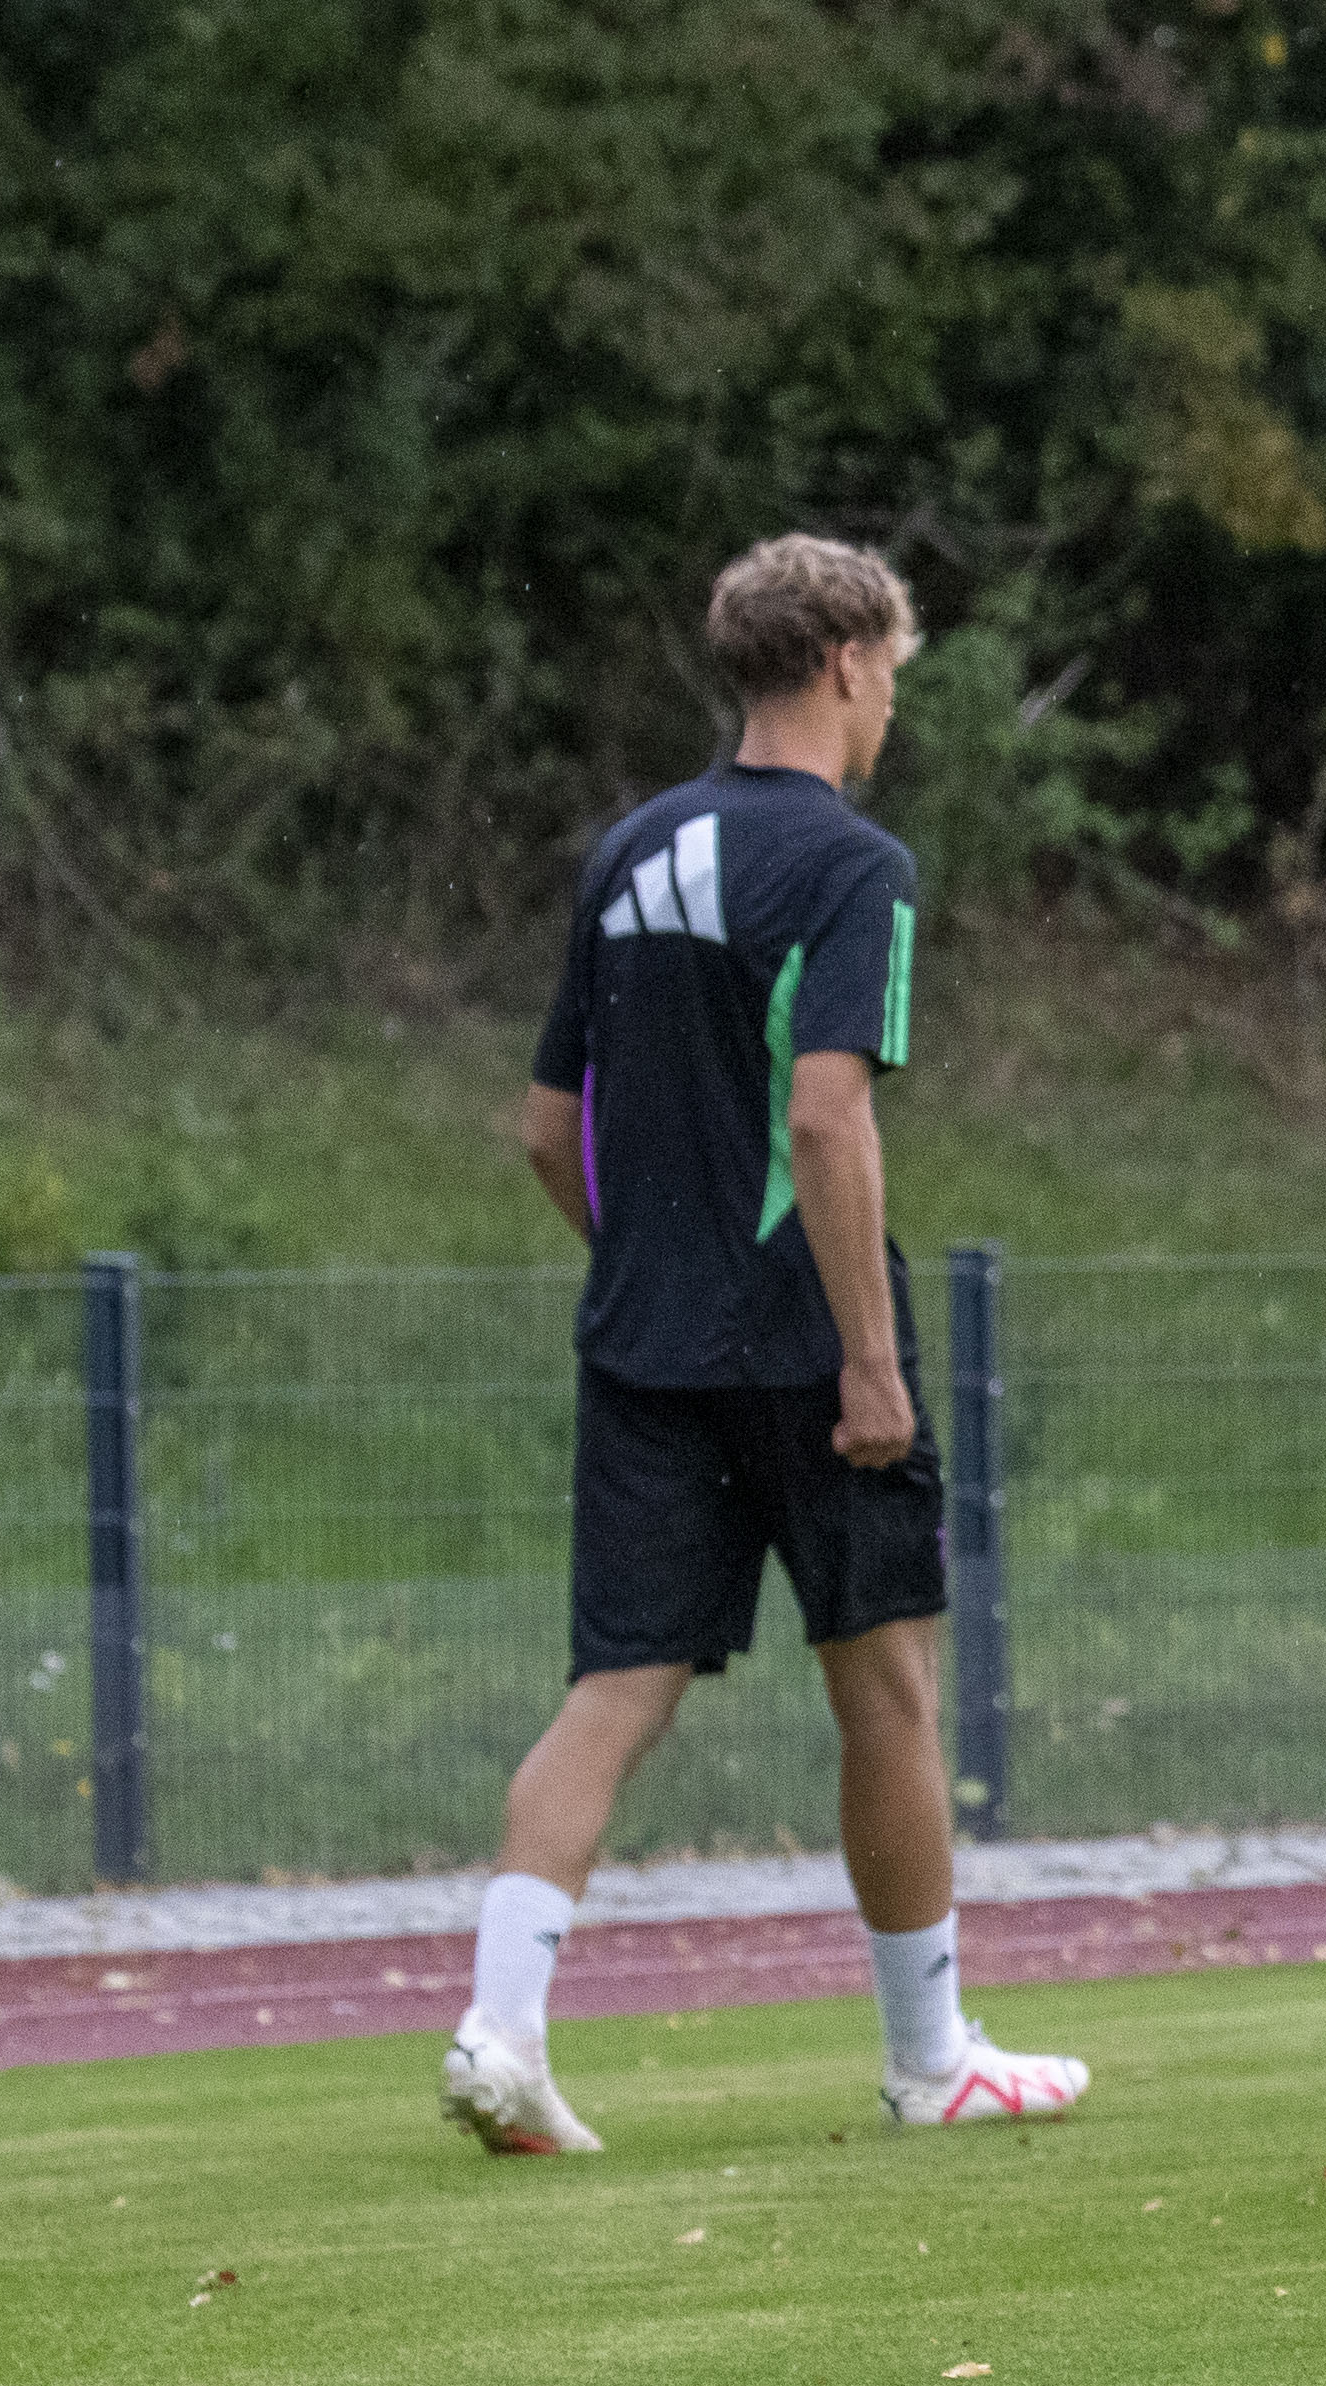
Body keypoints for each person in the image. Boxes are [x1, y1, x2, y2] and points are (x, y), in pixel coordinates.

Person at [444, 536, 1084, 2155]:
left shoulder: (625, 851)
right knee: (887, 1691)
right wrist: (868, 1358)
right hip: (812, 1344)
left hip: (644, 1340)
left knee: (613, 1691)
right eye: (896, 677)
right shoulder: (853, 863)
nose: (890, 709)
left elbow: (541, 1129)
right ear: (851, 662)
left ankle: (499, 2030)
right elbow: (826, 1108)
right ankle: (930, 2054)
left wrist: (653, 1265)